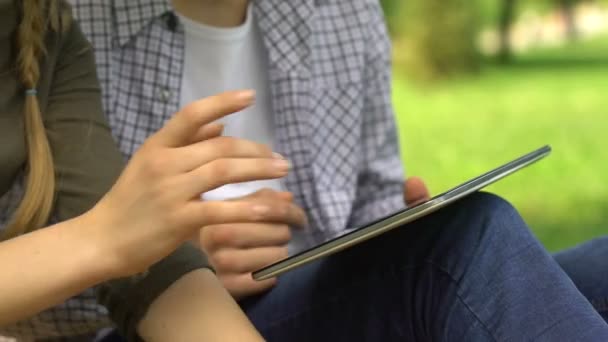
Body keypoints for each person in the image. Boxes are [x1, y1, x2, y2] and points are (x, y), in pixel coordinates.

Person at [63, 0, 608, 341]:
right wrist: (174, 265)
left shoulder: (339, 11)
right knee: (467, 240)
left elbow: (373, 197)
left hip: (333, 298)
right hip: (157, 325)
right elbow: (29, 283)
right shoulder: (66, 27)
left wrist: (400, 224)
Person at [0, 0, 308, 340]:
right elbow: (113, 236)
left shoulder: (42, 23)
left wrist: (126, 235)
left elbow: (153, 274)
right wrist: (104, 236)